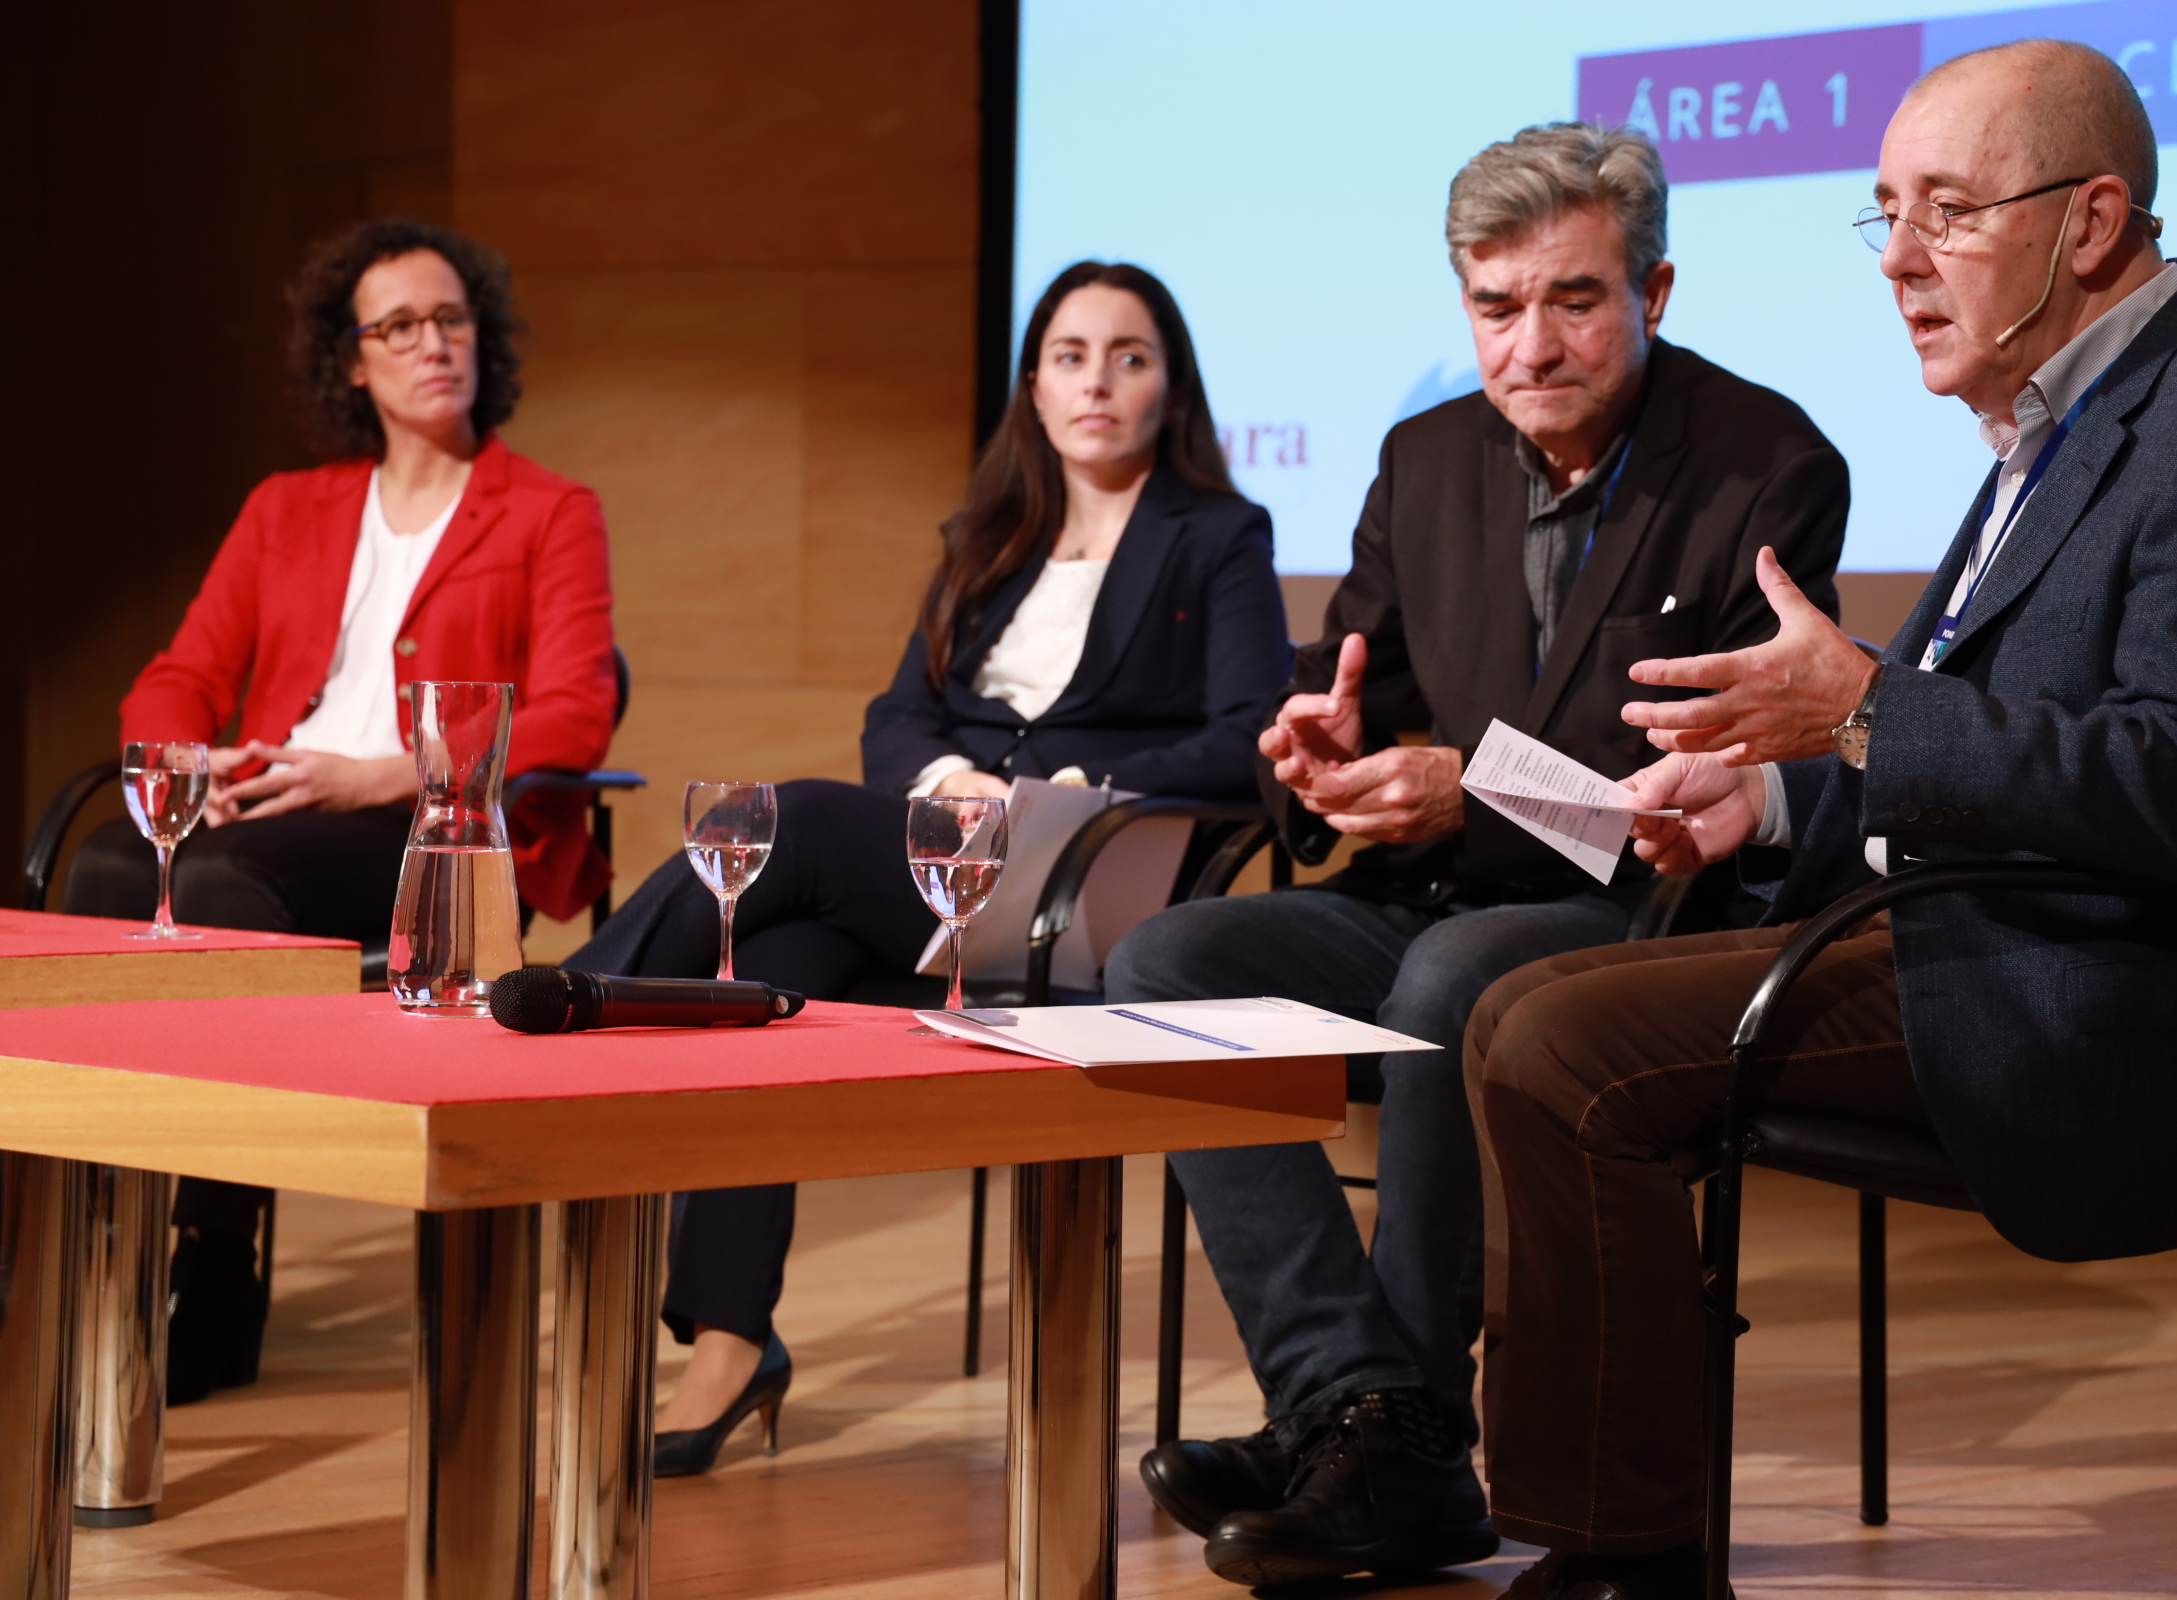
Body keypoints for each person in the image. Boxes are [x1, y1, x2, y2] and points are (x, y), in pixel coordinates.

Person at [1464, 39, 2177, 1600]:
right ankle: (1607, 1524)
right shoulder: (2064, 423)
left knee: (1559, 1046)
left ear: (2090, 225)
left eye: (1948, 212)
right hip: (1995, 933)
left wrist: (1867, 710)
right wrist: (1763, 802)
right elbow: (1981, 758)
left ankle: (1626, 1554)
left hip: (2112, 1002)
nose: (1897, 259)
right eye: (1885, 210)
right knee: (1518, 1011)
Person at [1104, 124, 1850, 1587]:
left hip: (1633, 916)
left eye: (1574, 300)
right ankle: (1359, 1406)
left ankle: (1403, 1439)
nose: (1533, 345)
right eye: (1495, 307)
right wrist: (1316, 759)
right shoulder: (1423, 455)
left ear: (1658, 288)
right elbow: (1356, 691)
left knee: (1452, 979)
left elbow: (1711, 779)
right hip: (1421, 897)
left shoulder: (1768, 462)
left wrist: (1468, 795)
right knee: (1168, 959)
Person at [565, 261, 1290, 1475]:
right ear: (1035, 384)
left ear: (1172, 385)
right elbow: (896, 715)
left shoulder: (1216, 534)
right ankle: (733, 1343)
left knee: (785, 820)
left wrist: (1045, 800)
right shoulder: (986, 537)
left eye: (1130, 354)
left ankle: (568, 1003)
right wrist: (951, 786)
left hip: (1078, 883)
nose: (1098, 380)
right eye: (1069, 354)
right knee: (780, 966)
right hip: (946, 859)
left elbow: (1241, 738)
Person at [65, 219, 619, 1405]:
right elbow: (177, 670)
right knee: (108, 869)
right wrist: (191, 759)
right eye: (401, 326)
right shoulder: (288, 507)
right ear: (352, 361)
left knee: (218, 894)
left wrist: (394, 774)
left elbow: (577, 708)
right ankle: (83, 1240)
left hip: (428, 837)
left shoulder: (547, 510)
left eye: (452, 319)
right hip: (268, 801)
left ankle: (217, 1253)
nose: (434, 345)